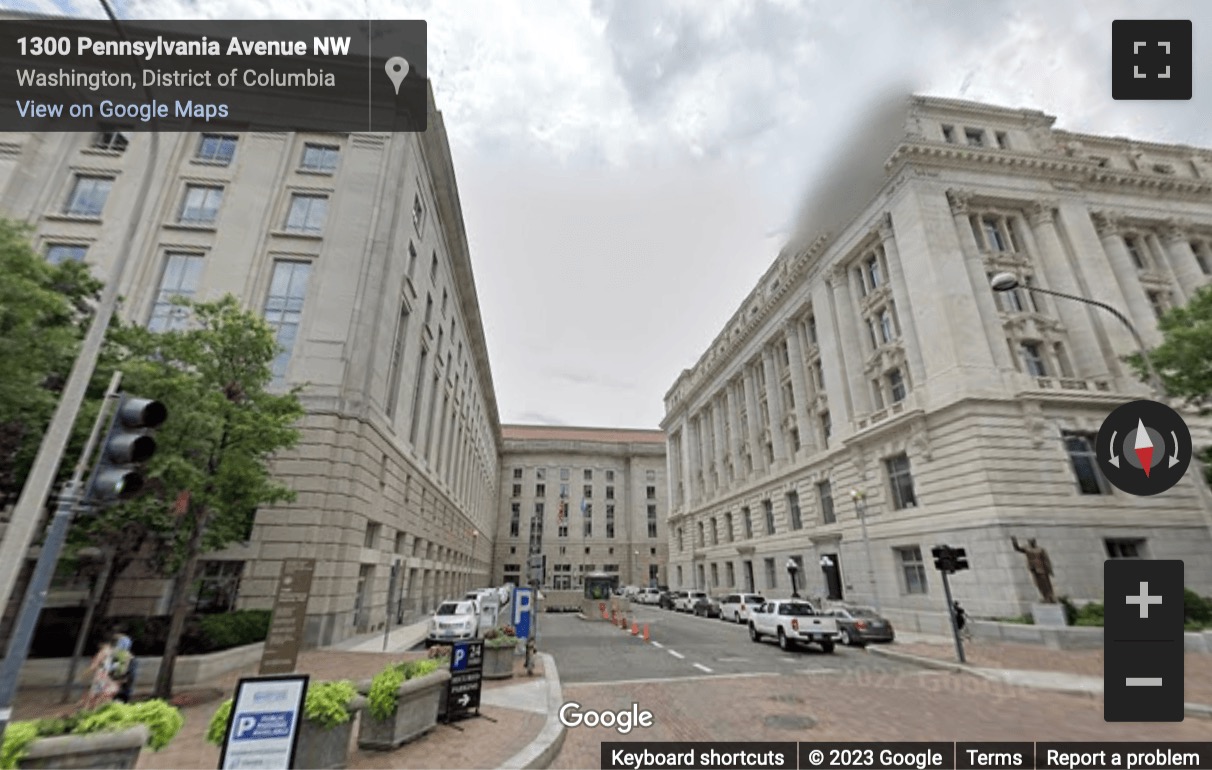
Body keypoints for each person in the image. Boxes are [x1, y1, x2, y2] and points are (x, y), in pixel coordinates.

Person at [81, 636, 119, 710]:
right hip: (108, 676)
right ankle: (102, 710)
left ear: (102, 643)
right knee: (104, 695)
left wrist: (86, 673)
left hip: (100, 675)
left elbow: (94, 665)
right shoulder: (114, 652)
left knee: (94, 695)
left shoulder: (103, 652)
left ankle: (89, 711)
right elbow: (116, 666)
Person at [110, 634, 136, 703]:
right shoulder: (131, 656)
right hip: (126, 682)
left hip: (118, 680)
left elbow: (114, 667)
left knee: (116, 699)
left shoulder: (118, 655)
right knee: (123, 699)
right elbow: (132, 673)